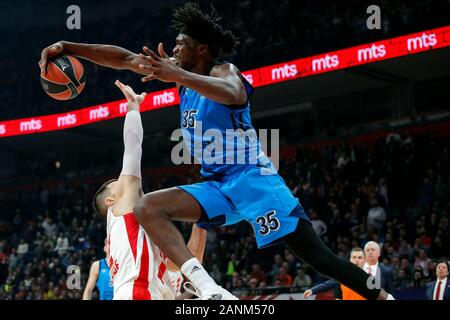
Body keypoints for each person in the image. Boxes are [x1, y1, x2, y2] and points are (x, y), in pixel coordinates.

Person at [39, 2, 394, 301]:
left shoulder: (224, 70)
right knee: (148, 206)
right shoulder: (178, 71)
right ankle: (209, 289)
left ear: (201, 49)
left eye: (181, 44)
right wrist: (69, 46)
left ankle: (382, 296)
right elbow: (124, 58)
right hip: (216, 185)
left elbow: (233, 94)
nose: (174, 50)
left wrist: (177, 76)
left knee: (320, 258)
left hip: (253, 179)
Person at [90, 80, 206, 300]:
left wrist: (193, 293)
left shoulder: (139, 235)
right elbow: (132, 151)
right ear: (111, 201)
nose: (124, 181)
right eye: (117, 183)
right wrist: (133, 108)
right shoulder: (121, 212)